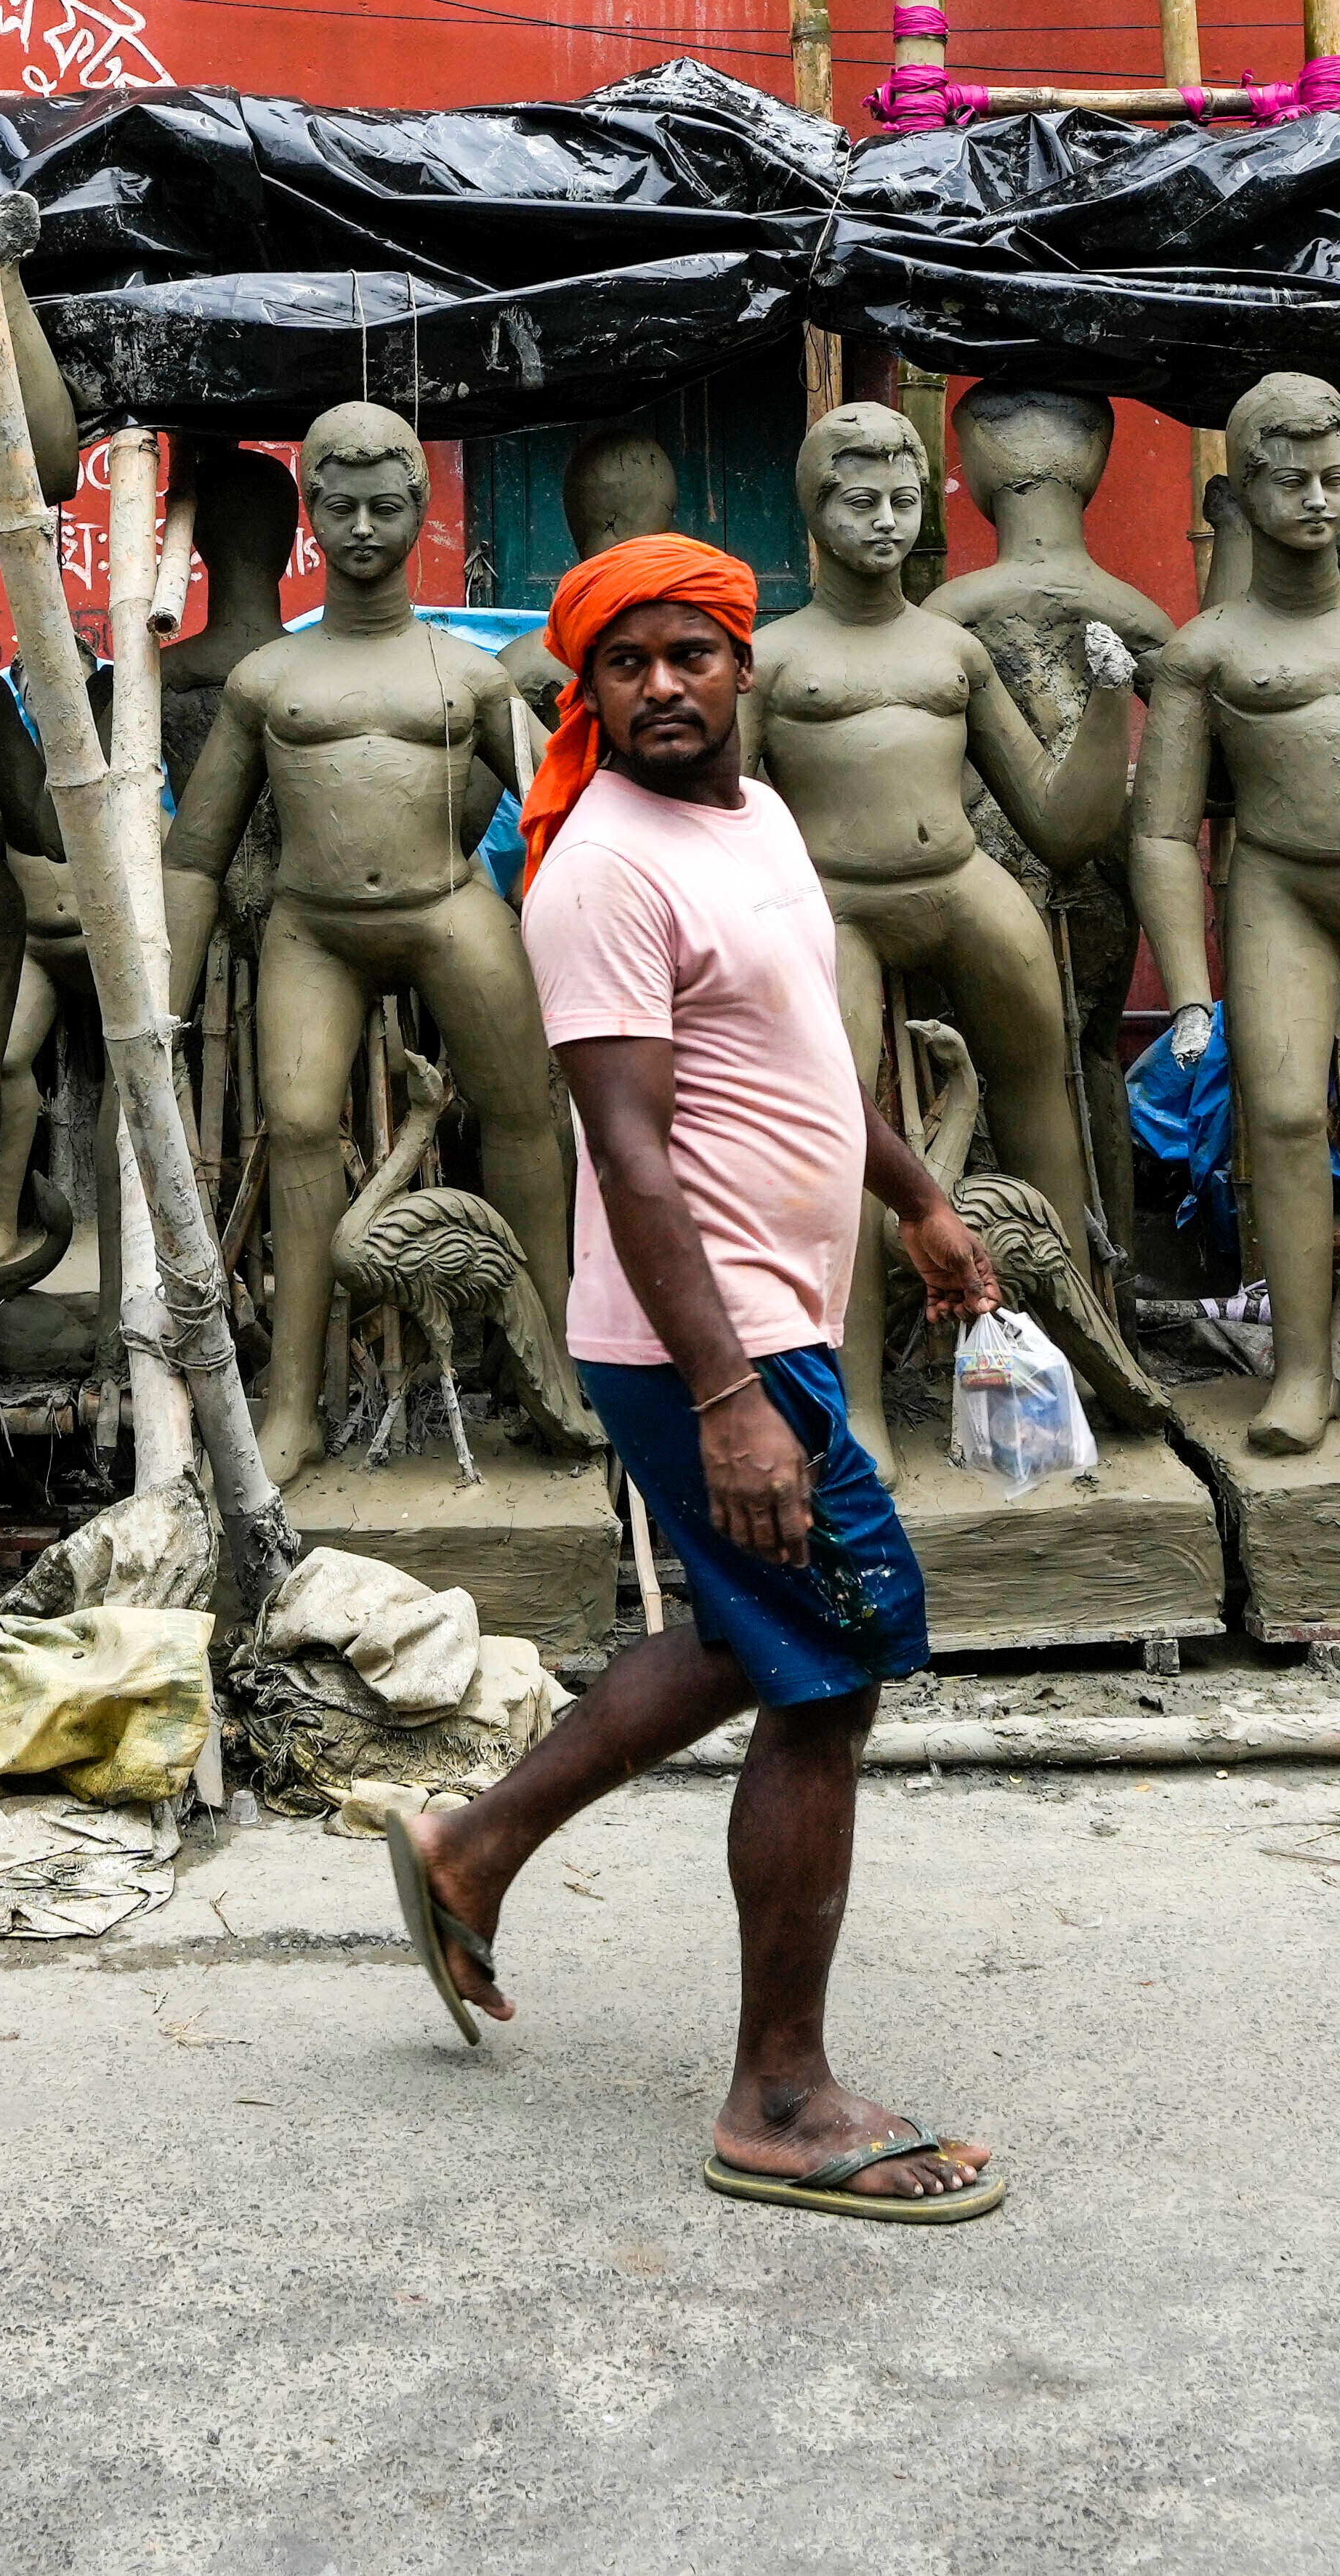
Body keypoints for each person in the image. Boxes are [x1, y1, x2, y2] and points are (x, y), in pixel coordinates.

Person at [388, 530, 1011, 2224]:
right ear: (585, 686)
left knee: (760, 1628)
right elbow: (630, 1150)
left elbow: (803, 1050)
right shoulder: (601, 867)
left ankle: (471, 1847)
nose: (663, 684)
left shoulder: (760, 820)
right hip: (704, 1338)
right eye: (627, 660)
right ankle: (779, 2099)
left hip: (769, 1317)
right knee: (831, 1664)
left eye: (691, 652)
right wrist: (730, 1396)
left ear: (745, 665)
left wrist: (919, 1199)